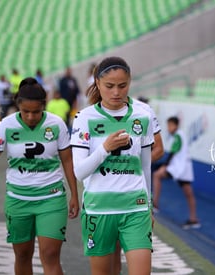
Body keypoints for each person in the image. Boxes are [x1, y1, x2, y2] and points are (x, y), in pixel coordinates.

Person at [0, 77, 80, 275]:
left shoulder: (57, 124)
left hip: (51, 199)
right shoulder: (6, 125)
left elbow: (68, 161)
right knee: (23, 255)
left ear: (44, 105)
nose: (31, 117)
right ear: (18, 106)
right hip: (18, 201)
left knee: (50, 255)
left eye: (36, 112)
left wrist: (74, 194)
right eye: (26, 112)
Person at [70, 56, 154, 275]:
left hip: (135, 207)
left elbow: (145, 167)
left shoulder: (142, 117)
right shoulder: (83, 118)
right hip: (100, 209)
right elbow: (79, 172)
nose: (116, 92)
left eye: (122, 86)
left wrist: (149, 205)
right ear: (97, 83)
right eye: (109, 86)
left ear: (130, 82)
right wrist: (105, 148)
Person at [112, 95, 164, 275]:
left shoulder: (144, 110)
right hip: (105, 199)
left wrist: (132, 166)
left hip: (136, 196)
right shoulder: (92, 111)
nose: (115, 90)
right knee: (112, 261)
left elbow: (158, 148)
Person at [153, 116, 200, 229]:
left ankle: (155, 204)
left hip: (180, 167)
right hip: (181, 167)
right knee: (188, 193)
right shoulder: (179, 135)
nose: (168, 128)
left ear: (176, 125)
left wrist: (165, 165)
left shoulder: (179, 135)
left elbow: (173, 152)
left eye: (170, 125)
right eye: (168, 126)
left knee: (157, 175)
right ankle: (193, 219)